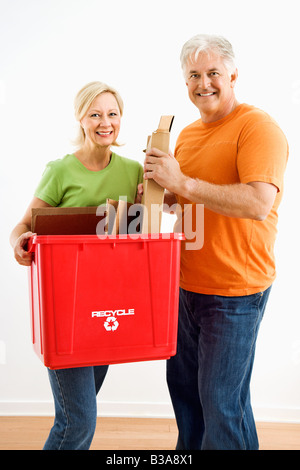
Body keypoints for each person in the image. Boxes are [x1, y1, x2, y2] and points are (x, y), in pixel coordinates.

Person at [144, 34, 289, 450]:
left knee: (221, 404)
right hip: (186, 285)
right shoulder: (187, 134)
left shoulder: (257, 127)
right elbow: (186, 198)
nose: (203, 83)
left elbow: (260, 202)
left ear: (233, 75)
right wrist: (161, 194)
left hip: (235, 291)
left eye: (212, 73)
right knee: (190, 397)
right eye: (193, 75)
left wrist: (183, 181)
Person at [10, 81, 143, 450]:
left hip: (106, 309)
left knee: (75, 417)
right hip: (65, 310)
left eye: (112, 114)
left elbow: (137, 232)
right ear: (81, 119)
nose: (105, 122)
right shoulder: (61, 170)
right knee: (79, 421)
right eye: (95, 114)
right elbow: (23, 226)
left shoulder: (133, 172)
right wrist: (20, 244)